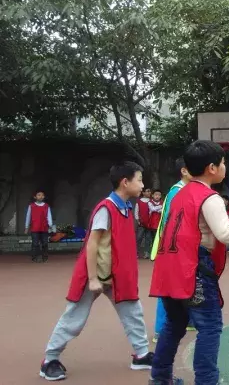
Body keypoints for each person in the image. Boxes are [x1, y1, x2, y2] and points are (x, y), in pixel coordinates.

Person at [149, 141, 229, 385]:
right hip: (194, 268)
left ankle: (160, 377)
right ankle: (207, 380)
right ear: (211, 168)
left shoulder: (178, 193)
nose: (225, 167)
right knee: (210, 327)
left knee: (173, 324)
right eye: (223, 163)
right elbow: (225, 234)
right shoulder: (209, 197)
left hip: (170, 267)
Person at [40, 162, 152, 381]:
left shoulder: (126, 207)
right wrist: (92, 278)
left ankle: (141, 355)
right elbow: (92, 245)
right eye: (139, 179)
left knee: (133, 313)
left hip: (117, 276)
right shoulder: (106, 208)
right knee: (74, 317)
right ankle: (49, 360)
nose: (142, 184)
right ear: (125, 182)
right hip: (95, 275)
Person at [149, 157, 194, 343]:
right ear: (184, 171)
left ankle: (189, 319)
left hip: (183, 247)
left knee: (190, 283)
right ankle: (160, 329)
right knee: (166, 288)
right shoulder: (177, 192)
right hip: (171, 248)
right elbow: (170, 222)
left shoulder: (189, 190)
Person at [25, 190, 54, 263]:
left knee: (45, 243)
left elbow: (49, 216)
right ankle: (35, 257)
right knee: (35, 243)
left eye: (42, 195)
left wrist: (50, 225)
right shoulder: (31, 206)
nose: (41, 196)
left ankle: (45, 256)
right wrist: (26, 227)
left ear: (44, 197)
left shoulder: (46, 206)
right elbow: (28, 217)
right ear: (35, 197)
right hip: (34, 228)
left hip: (44, 228)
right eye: (39, 195)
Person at [135, 187, 153, 258]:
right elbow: (136, 211)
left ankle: (147, 253)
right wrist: (138, 220)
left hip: (149, 223)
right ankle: (135, 252)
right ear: (143, 193)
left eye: (150, 191)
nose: (149, 193)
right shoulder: (139, 201)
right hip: (141, 223)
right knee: (139, 237)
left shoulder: (151, 201)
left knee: (148, 238)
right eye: (148, 191)